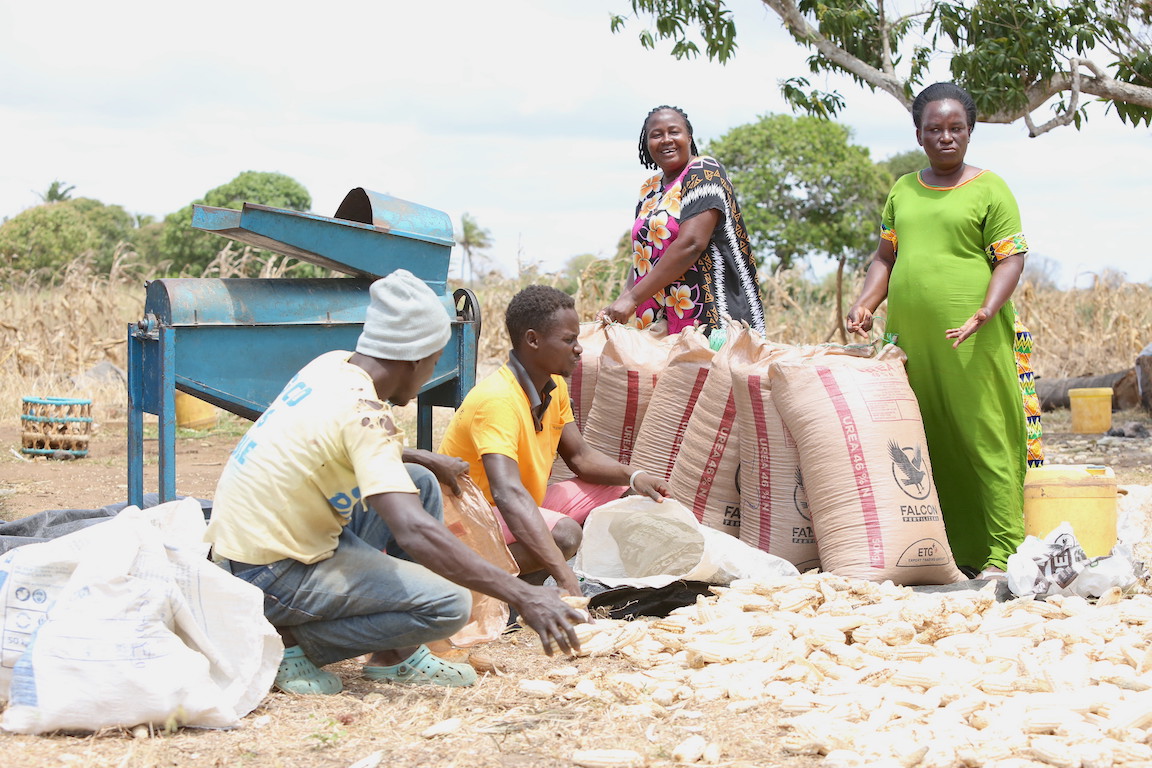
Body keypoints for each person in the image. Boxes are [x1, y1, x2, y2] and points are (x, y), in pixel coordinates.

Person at [204, 270, 585, 695]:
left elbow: (328, 439)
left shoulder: (332, 366)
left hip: (249, 547)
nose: (429, 375)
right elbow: (414, 531)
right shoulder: (366, 412)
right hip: (268, 572)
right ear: (415, 358)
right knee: (448, 604)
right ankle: (287, 644)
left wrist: (418, 454)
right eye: (433, 361)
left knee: (418, 480)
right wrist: (523, 594)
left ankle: (396, 656)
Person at [845, 82, 1043, 579]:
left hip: (971, 337)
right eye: (935, 129)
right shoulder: (903, 189)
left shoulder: (991, 188)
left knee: (984, 434)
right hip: (910, 340)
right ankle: (948, 551)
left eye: (956, 128)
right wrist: (866, 304)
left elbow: (1011, 258)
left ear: (971, 132)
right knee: (923, 439)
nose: (946, 137)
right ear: (919, 134)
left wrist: (983, 312)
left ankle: (1004, 553)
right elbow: (885, 258)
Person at [439, 285, 670, 595]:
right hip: (469, 520)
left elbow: (580, 458)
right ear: (533, 340)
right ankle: (494, 592)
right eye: (568, 340)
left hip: (518, 507)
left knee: (625, 490)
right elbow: (506, 494)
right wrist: (565, 576)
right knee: (563, 535)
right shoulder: (497, 400)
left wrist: (636, 475)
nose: (578, 349)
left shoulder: (554, 388)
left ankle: (528, 584)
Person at [600, 105, 765, 337]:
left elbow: (691, 244)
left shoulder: (705, 172)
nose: (666, 140)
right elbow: (644, 256)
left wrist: (634, 298)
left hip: (710, 316)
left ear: (689, 137)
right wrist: (622, 300)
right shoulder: (650, 189)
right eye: (656, 135)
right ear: (646, 143)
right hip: (659, 319)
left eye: (674, 132)